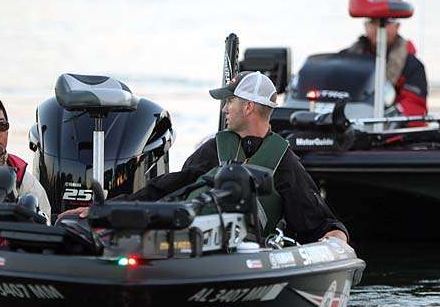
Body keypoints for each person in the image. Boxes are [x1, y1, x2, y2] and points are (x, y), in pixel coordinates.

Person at [61, 71, 349, 244]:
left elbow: (315, 220)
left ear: (248, 107)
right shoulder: (214, 148)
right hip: (191, 244)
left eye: (230, 101)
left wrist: (336, 236)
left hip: (246, 257)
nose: (226, 108)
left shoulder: (283, 162)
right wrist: (107, 209)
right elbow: (169, 189)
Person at [341, 17, 428, 116]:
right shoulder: (345, 59)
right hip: (349, 121)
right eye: (373, 22)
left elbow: (415, 105)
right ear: (365, 26)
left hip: (390, 127)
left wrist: (391, 116)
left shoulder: (412, 65)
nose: (379, 28)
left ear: (397, 26)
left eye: (386, 22)